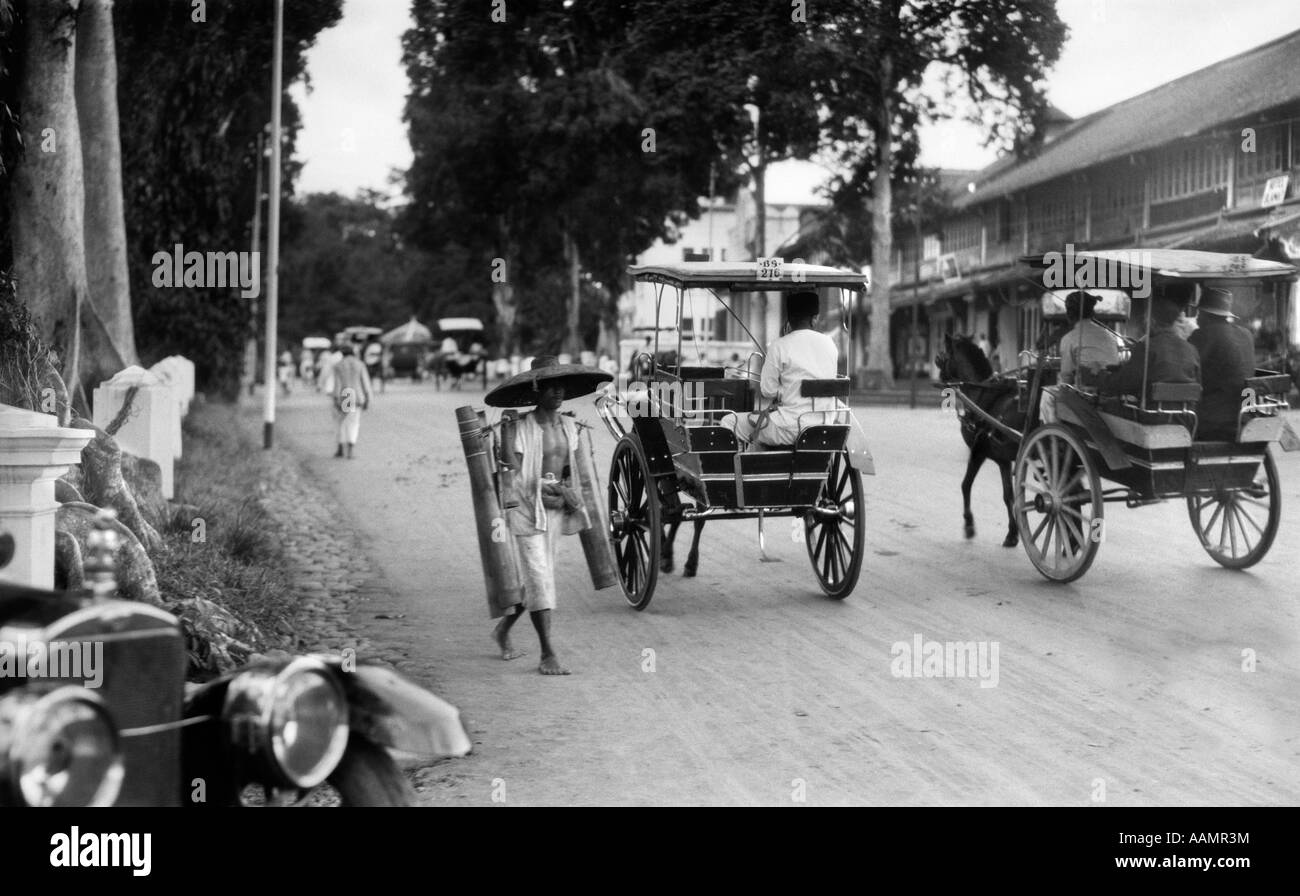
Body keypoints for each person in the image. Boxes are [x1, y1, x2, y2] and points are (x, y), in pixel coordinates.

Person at [485, 355, 611, 675]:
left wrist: (566, 491)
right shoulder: (520, 427)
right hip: (527, 511)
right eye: (551, 388)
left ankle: (503, 630)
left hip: (554, 511)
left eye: (562, 387)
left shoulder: (570, 426)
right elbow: (511, 471)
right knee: (540, 577)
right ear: (537, 390)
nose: (558, 393)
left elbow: (569, 469)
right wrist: (510, 442)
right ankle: (547, 653)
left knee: (538, 580)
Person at [724, 289, 838, 448]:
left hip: (789, 427)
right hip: (825, 425)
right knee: (762, 426)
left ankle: (736, 469)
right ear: (814, 319)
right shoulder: (830, 344)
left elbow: (767, 390)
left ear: (789, 320)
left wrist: (784, 390)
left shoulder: (779, 346)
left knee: (728, 421)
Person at [1096, 290, 1200, 399]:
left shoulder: (1147, 348)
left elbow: (1123, 384)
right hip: (1187, 414)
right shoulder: (1192, 349)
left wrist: (1099, 375)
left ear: (1152, 320)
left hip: (1150, 414)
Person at [1189, 286, 1255, 440]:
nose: (1197, 319)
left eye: (1199, 313)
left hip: (1214, 418)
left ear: (1206, 314)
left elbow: (1189, 368)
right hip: (1246, 412)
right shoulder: (1246, 334)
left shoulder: (1202, 335)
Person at [330, 344, 373, 459]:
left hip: (346, 394)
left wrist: (336, 399)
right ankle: (350, 450)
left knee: (341, 423)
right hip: (357, 395)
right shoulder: (360, 364)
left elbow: (337, 384)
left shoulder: (338, 365)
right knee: (353, 423)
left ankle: (340, 448)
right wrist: (368, 398)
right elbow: (366, 383)